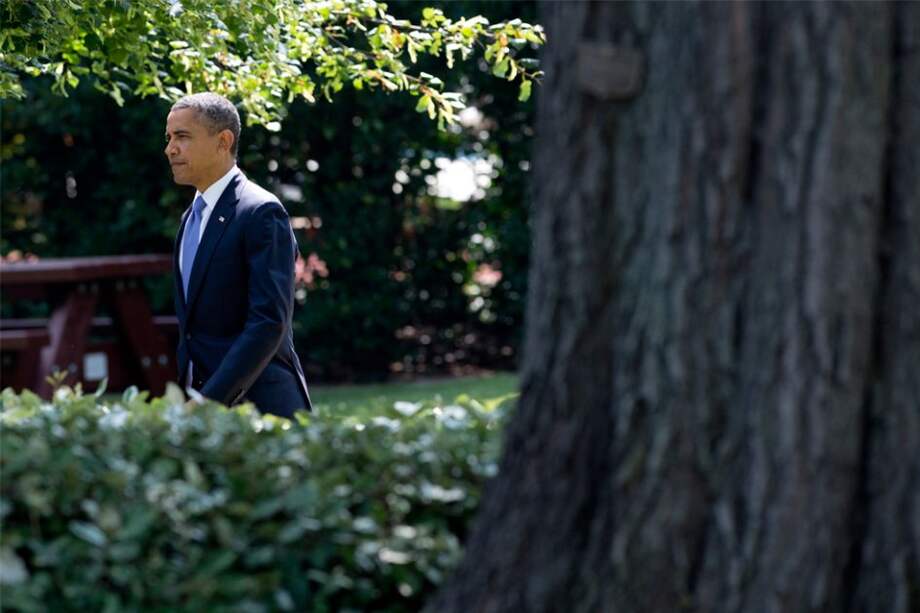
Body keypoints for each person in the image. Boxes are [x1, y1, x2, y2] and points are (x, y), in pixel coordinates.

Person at [164, 92, 311, 417]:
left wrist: (209, 401)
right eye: (169, 138)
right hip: (205, 417)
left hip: (262, 413)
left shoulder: (261, 211)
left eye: (182, 137)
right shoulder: (190, 218)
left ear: (223, 141)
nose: (170, 149)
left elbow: (268, 322)